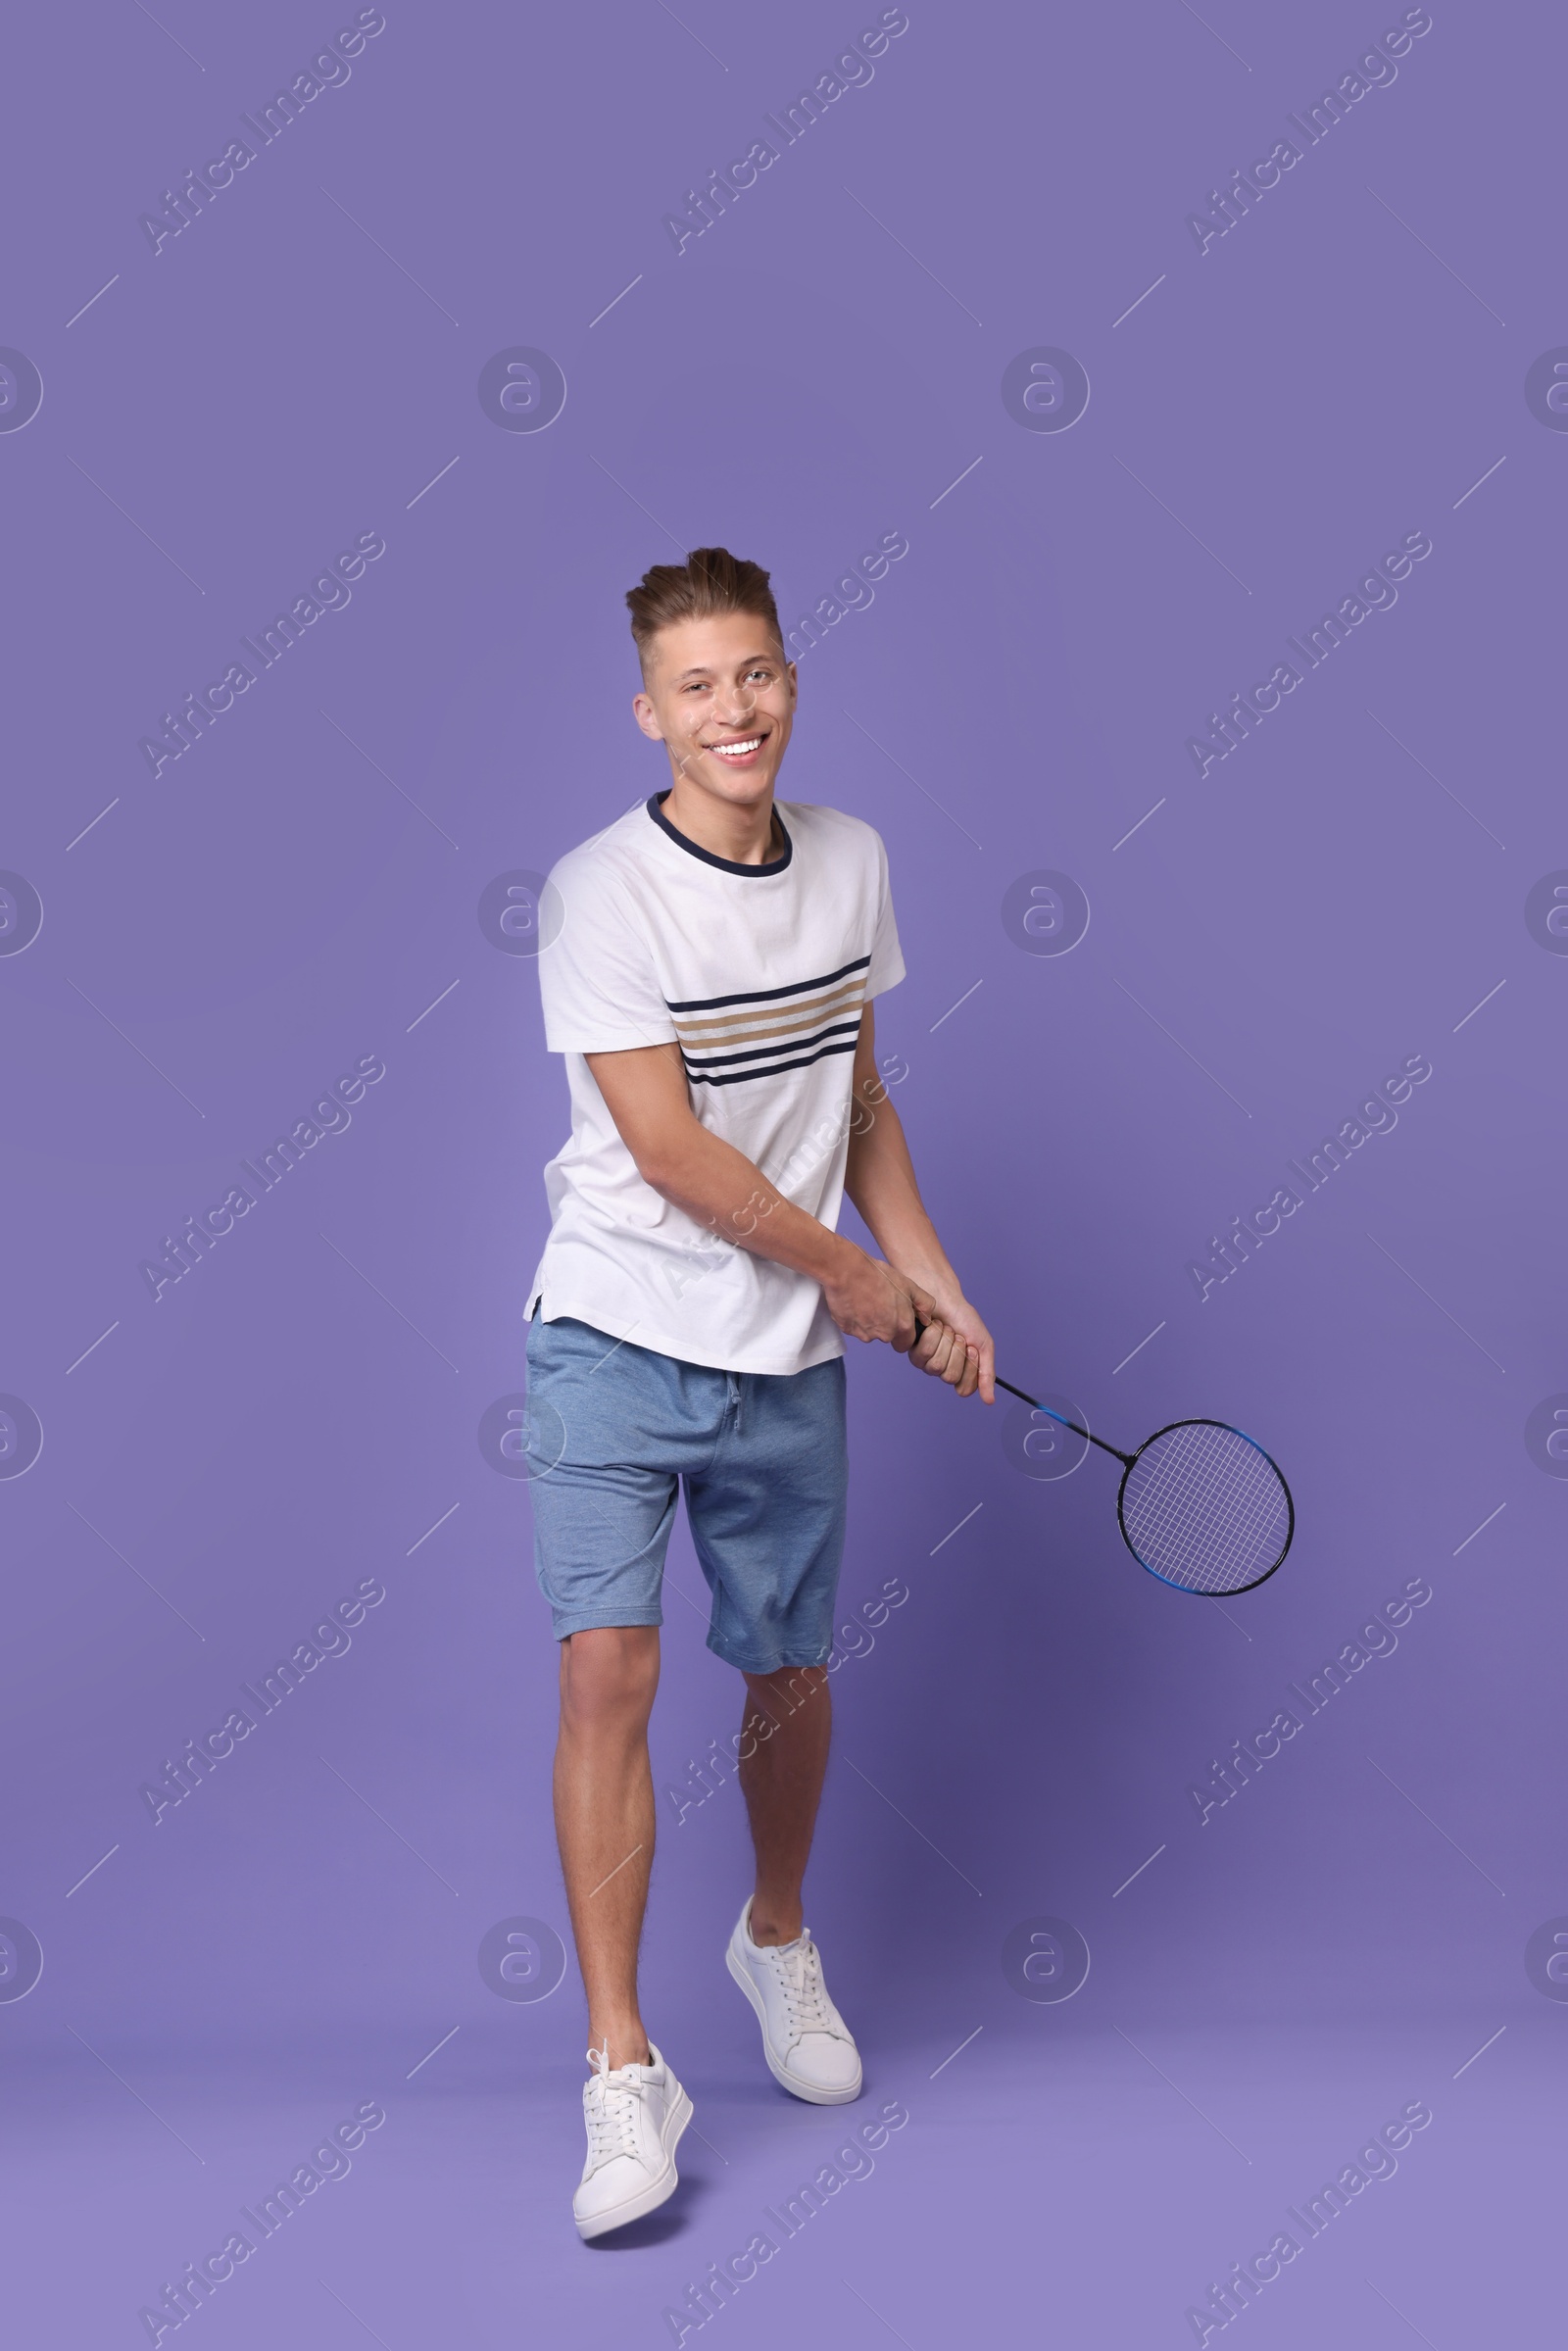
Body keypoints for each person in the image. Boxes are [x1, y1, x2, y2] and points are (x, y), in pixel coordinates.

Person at [523, 546, 994, 2239]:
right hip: (617, 1333)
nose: (737, 709)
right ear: (651, 713)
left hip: (785, 1356)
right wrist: (856, 1283)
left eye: (761, 674)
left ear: (792, 685)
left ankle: (776, 1941)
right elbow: (667, 1150)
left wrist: (925, 1272)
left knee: (788, 1675)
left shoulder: (854, 861)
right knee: (610, 1669)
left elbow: (857, 1097)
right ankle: (620, 2064)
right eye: (699, 686)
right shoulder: (601, 893)